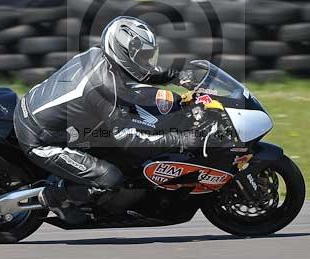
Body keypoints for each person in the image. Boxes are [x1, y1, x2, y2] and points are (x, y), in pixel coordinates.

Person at [12, 15, 204, 222]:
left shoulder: (102, 56)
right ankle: (55, 196)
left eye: (148, 55)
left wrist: (177, 76)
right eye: (142, 56)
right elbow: (127, 139)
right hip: (42, 138)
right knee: (110, 178)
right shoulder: (103, 87)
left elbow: (140, 72)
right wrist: (181, 140)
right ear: (122, 52)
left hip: (58, 120)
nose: (146, 61)